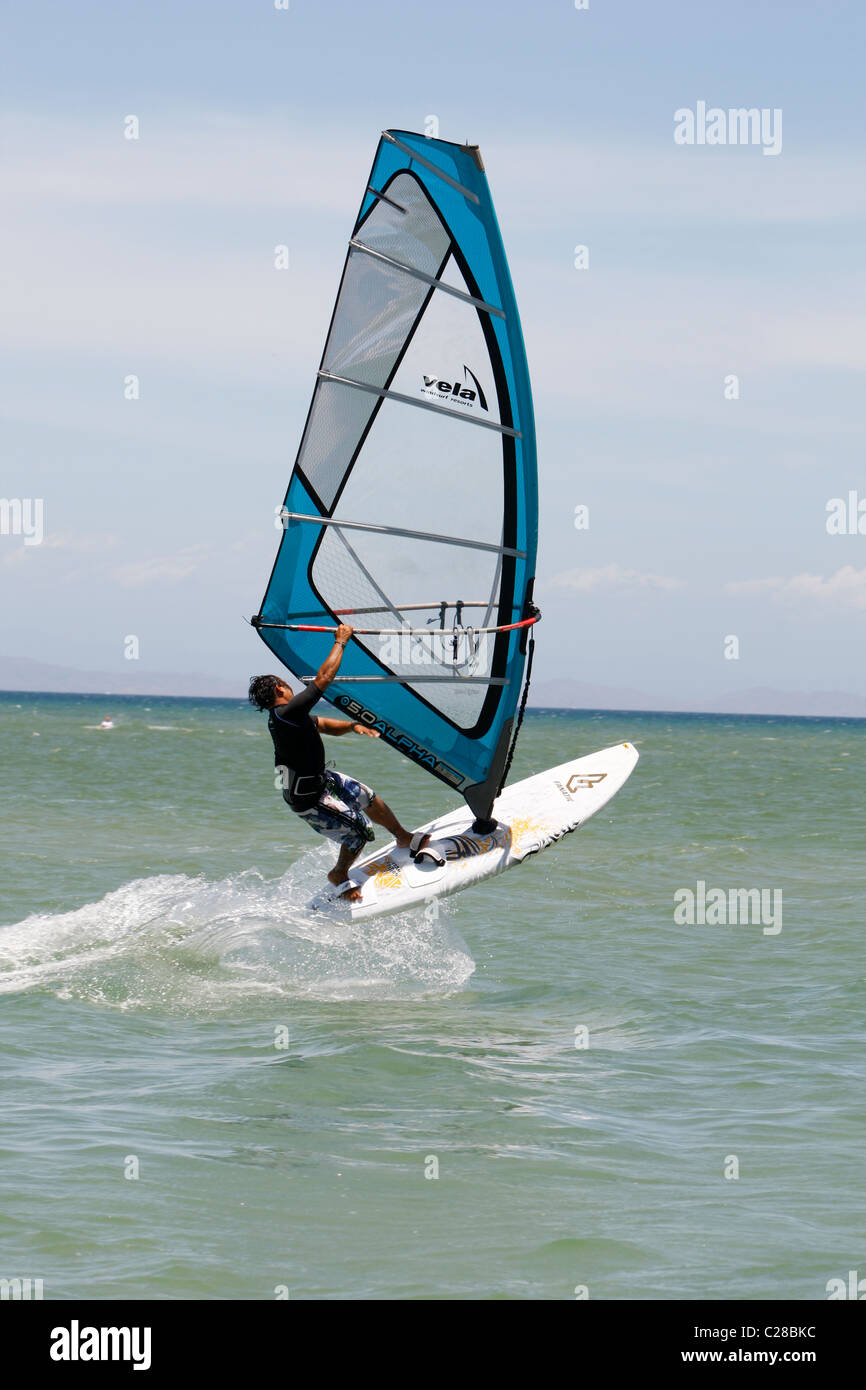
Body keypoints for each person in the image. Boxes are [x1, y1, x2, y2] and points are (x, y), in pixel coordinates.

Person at [249, 624, 441, 902]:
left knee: (368, 798)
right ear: (280, 688)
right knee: (359, 833)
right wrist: (341, 641)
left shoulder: (289, 717)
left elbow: (324, 725)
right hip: (308, 798)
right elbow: (323, 679)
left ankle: (403, 837)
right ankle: (339, 873)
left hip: (321, 780)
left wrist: (352, 726)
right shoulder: (285, 712)